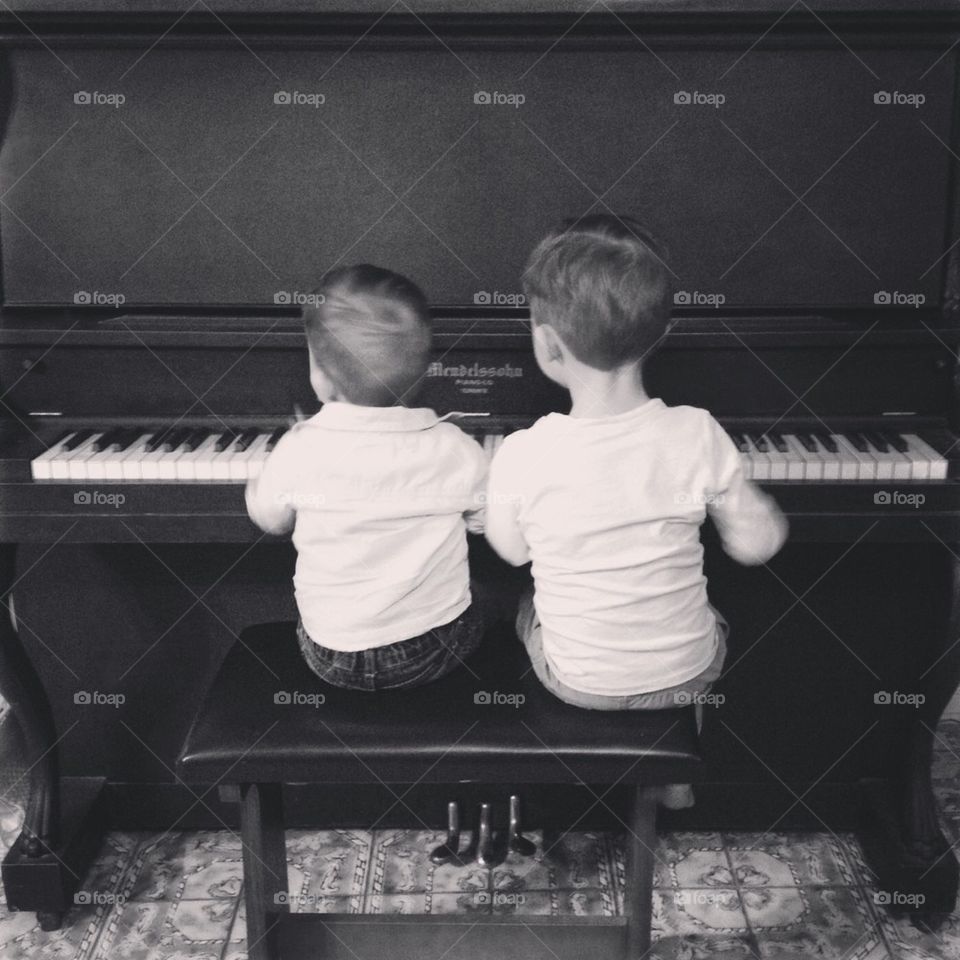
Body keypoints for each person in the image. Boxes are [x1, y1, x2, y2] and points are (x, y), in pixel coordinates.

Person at [485, 215, 788, 806]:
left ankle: (542, 787)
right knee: (710, 618)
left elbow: (511, 549)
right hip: (686, 674)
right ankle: (674, 776)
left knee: (521, 604)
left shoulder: (524, 451)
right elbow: (755, 546)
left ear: (547, 345)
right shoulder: (696, 431)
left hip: (578, 683)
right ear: (660, 332)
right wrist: (766, 514)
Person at [246, 264, 488, 690]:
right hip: (434, 651)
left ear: (321, 376)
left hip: (329, 656)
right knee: (482, 600)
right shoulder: (454, 447)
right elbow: (485, 517)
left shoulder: (301, 448)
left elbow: (271, 520)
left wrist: (258, 485)